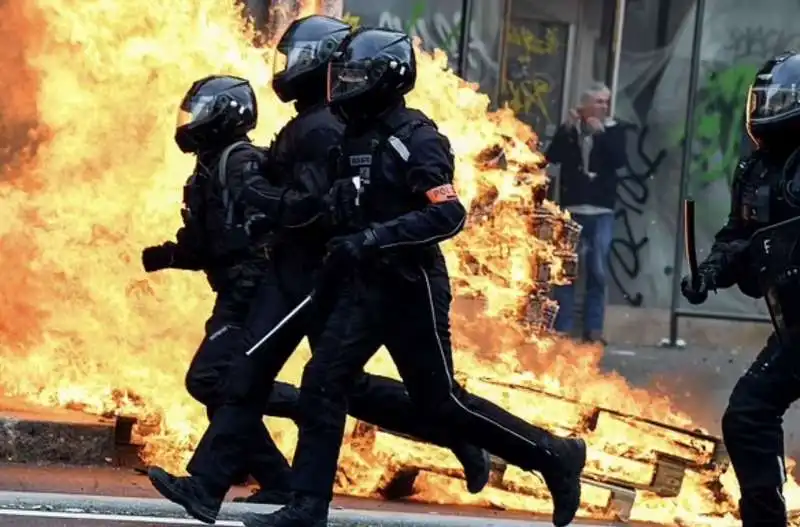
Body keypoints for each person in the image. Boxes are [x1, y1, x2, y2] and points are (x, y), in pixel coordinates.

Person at [145, 16, 491, 525]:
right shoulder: (320, 122)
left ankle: (220, 486)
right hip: (302, 271)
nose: (285, 70)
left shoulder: (325, 126)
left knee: (259, 374)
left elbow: (316, 207)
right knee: (326, 385)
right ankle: (215, 486)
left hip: (311, 274)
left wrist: (260, 196)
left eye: (294, 59)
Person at [243, 27, 587, 527]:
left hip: (410, 285)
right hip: (362, 284)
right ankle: (306, 507)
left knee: (439, 403)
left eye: (358, 76)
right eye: (344, 76)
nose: (345, 87)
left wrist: (374, 238)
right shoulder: (351, 134)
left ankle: (554, 456)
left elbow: (447, 215)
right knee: (322, 383)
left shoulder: (416, 139)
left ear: (389, 77)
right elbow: (346, 201)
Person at [680, 50, 800, 526]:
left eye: (780, 100)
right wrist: (709, 273)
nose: (768, 109)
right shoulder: (754, 170)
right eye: (763, 99)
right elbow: (739, 237)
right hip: (794, 324)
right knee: (748, 416)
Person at [545, 82, 626, 345]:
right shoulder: (572, 130)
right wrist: (567, 130)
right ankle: (563, 327)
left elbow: (619, 161)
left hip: (601, 210)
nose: (604, 106)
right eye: (599, 101)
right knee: (566, 270)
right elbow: (552, 157)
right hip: (573, 209)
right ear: (585, 105)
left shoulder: (614, 130)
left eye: (606, 102)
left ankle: (593, 330)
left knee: (597, 271)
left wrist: (601, 135)